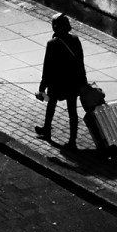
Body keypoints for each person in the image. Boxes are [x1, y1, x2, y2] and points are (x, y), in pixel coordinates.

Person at [35, 13, 87, 149]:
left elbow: (47, 67)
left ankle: (47, 130)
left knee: (51, 104)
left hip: (57, 83)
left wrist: (42, 86)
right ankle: (72, 141)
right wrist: (83, 82)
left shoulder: (52, 44)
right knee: (72, 111)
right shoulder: (75, 40)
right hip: (73, 82)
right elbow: (81, 63)